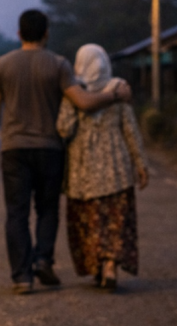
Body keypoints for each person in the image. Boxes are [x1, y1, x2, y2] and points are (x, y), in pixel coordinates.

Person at [0, 10, 132, 295]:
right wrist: (115, 95)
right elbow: (83, 101)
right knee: (47, 209)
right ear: (46, 34)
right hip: (50, 149)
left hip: (14, 148)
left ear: (19, 34)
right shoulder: (59, 64)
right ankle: (43, 259)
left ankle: (22, 277)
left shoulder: (2, 64)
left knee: (16, 213)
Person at [56, 44, 149, 292]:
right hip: (115, 168)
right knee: (115, 219)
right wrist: (140, 164)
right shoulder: (119, 89)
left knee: (90, 221)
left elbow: (63, 129)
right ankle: (109, 266)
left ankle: (97, 265)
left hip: (83, 172)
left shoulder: (74, 93)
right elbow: (130, 130)